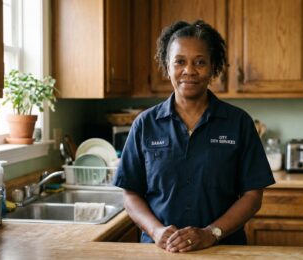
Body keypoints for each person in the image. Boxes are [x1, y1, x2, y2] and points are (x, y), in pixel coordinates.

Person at [113, 20, 275, 253]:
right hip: (160, 251)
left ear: (213, 68)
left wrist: (211, 233)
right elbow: (130, 193)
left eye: (200, 62)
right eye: (180, 62)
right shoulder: (144, 125)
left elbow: (253, 195)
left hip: (224, 250)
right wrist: (156, 231)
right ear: (167, 66)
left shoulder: (239, 123)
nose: (189, 70)